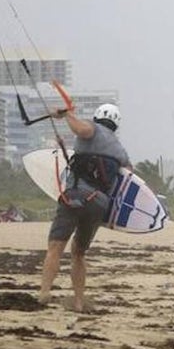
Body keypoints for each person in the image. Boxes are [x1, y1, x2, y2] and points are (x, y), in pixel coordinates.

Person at [38, 102, 131, 312]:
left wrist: (68, 114)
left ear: (97, 117)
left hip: (74, 197)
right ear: (116, 124)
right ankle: (79, 302)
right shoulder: (120, 149)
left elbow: (83, 130)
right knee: (78, 253)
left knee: (55, 247)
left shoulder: (93, 128)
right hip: (99, 204)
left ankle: (45, 292)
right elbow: (128, 177)